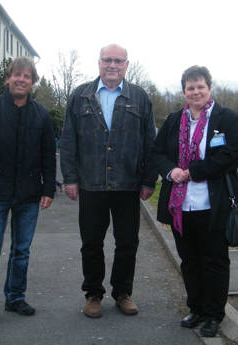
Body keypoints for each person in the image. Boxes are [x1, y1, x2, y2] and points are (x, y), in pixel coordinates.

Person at [60, 44, 156, 318]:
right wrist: (70, 178)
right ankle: (93, 294)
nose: (112, 65)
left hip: (128, 184)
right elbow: (68, 141)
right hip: (91, 184)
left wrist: (149, 179)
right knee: (91, 243)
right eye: (107, 60)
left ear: (127, 65)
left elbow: (151, 141)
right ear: (98, 63)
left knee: (127, 243)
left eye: (118, 60)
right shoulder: (81, 96)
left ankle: (123, 293)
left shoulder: (139, 97)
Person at [152, 66, 238, 337]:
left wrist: (194, 171)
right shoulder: (173, 120)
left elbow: (232, 154)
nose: (195, 92)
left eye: (200, 86)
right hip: (181, 206)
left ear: (209, 88)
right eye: (190, 88)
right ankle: (196, 308)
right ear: (184, 92)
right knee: (189, 260)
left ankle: (215, 314)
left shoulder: (227, 118)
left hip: (214, 204)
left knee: (214, 260)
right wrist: (171, 171)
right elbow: (156, 153)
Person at [0, 57, 56, 328]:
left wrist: (48, 188)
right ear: (8, 78)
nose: (21, 79)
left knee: (21, 251)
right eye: (17, 74)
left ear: (33, 82)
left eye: (27, 76)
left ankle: (16, 297)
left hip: (29, 194)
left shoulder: (41, 115)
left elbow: (48, 156)